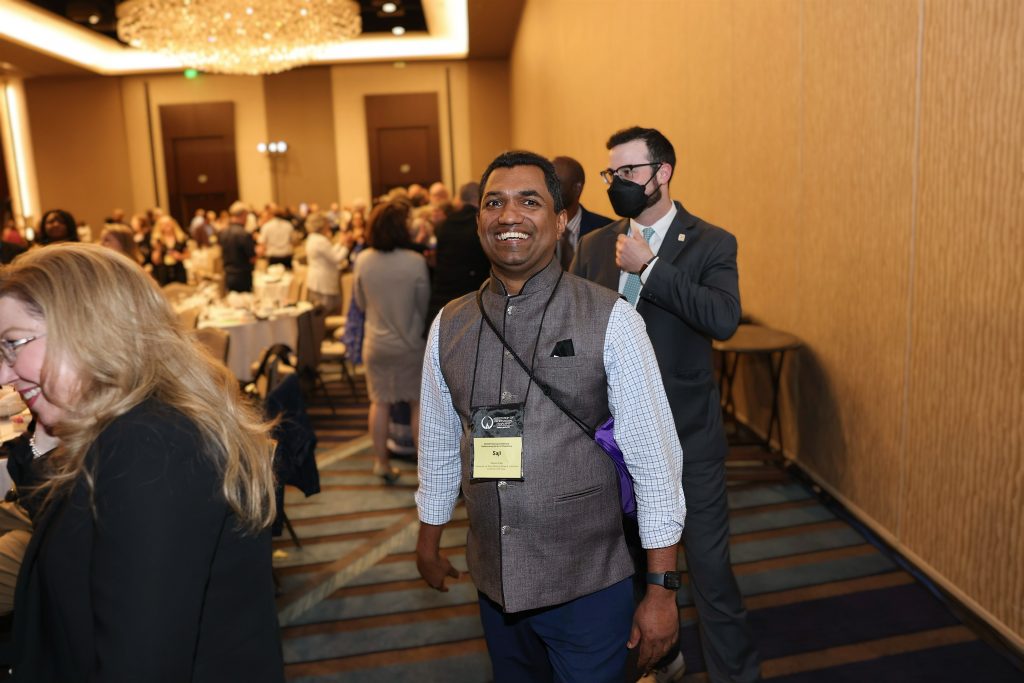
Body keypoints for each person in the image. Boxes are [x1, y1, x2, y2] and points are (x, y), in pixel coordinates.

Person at [416, 151, 686, 682]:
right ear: (479, 220)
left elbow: (656, 464)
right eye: (494, 202)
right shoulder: (450, 324)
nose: (509, 215)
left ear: (561, 220)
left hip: (588, 586)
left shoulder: (612, 320)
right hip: (495, 586)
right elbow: (440, 441)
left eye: (529, 201)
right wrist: (429, 537)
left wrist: (661, 590)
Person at [0, 243, 284, 681]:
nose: (4, 373)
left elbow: (140, 665)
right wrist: (47, 426)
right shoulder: (123, 426)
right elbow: (66, 529)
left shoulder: (152, 445)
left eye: (13, 344)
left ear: (88, 328)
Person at [572, 126, 759, 683]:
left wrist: (650, 268)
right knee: (625, 572)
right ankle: (657, 661)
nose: (618, 183)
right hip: (612, 445)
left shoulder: (711, 242)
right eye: (612, 174)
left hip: (688, 441)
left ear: (663, 173)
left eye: (629, 171)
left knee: (710, 575)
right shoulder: (592, 247)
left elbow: (722, 319)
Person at [354, 201, 429, 484]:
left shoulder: (363, 259)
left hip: (376, 343)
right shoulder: (415, 261)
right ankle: (424, 471)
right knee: (417, 404)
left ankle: (381, 463)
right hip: (410, 343)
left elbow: (360, 302)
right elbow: (422, 305)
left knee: (379, 403)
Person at [425, 181, 490, 326]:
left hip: (442, 302)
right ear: (480, 198)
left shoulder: (444, 225)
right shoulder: (482, 224)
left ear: (460, 199)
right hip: (472, 303)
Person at [552, 155, 613, 269]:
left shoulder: (607, 230)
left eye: (556, 183)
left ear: (577, 188)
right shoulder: (537, 228)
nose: (548, 189)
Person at [304, 212, 348, 315]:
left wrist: (340, 244)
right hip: (323, 282)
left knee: (319, 312)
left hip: (316, 280)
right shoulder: (321, 240)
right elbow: (336, 258)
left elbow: (329, 253)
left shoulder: (312, 238)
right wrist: (346, 246)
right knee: (325, 311)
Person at [221, 201, 257, 292]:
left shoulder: (223, 233)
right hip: (243, 276)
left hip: (228, 274)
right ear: (243, 215)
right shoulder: (244, 234)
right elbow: (252, 258)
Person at [150, 215, 189, 286]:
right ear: (160, 226)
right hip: (163, 273)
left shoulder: (180, 238)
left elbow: (188, 255)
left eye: (168, 223)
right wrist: (158, 249)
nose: (166, 225)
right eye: (164, 224)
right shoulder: (157, 240)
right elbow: (155, 260)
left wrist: (179, 256)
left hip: (179, 271)